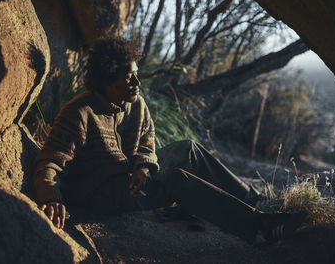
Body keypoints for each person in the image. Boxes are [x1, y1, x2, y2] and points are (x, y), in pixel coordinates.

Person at [33, 36, 305, 243]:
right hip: (100, 193)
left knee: (189, 149)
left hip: (130, 175)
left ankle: (254, 200)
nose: (137, 83)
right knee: (174, 179)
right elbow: (50, 163)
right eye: (129, 77)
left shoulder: (135, 103)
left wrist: (143, 165)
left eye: (137, 74)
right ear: (106, 80)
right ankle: (259, 227)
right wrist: (52, 197)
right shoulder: (79, 113)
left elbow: (147, 139)